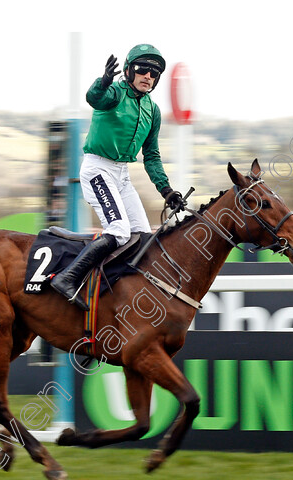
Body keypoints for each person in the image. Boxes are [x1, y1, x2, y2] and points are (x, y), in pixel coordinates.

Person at [51, 43, 185, 310]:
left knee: (142, 235)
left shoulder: (153, 111)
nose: (148, 76)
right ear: (128, 70)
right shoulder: (114, 93)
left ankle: (116, 287)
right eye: (142, 70)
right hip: (97, 168)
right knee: (119, 231)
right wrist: (103, 81)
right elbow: (94, 98)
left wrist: (166, 190)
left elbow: (152, 155)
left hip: (122, 176)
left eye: (154, 73)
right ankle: (68, 278)